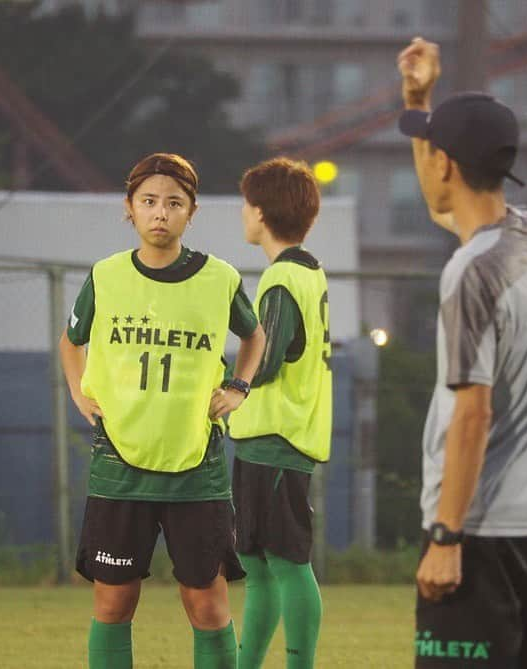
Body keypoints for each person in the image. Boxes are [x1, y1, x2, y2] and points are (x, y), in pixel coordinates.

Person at [397, 38, 527, 669]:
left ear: (446, 163)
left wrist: (446, 536)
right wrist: (419, 104)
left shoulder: (470, 273)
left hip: (479, 531)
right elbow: (441, 203)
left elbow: (474, 413)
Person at [59, 152, 266, 669]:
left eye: (174, 203)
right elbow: (71, 340)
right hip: (120, 465)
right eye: (148, 201)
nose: (160, 213)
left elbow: (254, 334)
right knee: (113, 603)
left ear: (191, 213)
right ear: (129, 208)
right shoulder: (106, 275)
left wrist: (239, 386)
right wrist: (78, 392)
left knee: (207, 603)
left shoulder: (218, 278)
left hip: (195, 467)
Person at [228, 157, 332, 669]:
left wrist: (221, 388)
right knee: (256, 561)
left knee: (288, 563)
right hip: (266, 439)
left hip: (277, 437)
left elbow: (265, 362)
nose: (242, 213)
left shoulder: (281, 279)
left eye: (247, 204)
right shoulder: (309, 271)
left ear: (262, 212)